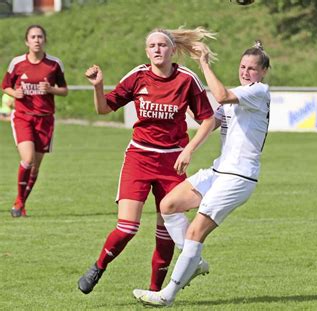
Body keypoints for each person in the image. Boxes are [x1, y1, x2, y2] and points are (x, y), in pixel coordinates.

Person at [77, 27, 217, 295]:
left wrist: (189, 150)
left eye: (162, 45)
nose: (157, 49)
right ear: (146, 51)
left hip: (172, 163)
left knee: (165, 231)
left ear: (172, 49)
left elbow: (208, 120)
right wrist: (97, 87)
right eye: (152, 45)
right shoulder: (138, 76)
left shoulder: (187, 79)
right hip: (139, 158)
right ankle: (98, 267)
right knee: (127, 227)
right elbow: (104, 108)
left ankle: (155, 291)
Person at [133, 40, 271, 307]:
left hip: (238, 177)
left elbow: (220, 95)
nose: (245, 72)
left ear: (263, 71)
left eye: (252, 68)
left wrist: (204, 63)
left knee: (195, 231)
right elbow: (210, 121)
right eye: (242, 66)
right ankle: (193, 260)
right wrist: (188, 150)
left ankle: (168, 295)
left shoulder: (259, 91)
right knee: (169, 205)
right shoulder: (238, 95)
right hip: (219, 170)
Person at [1, 25, 68, 217]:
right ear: (27, 41)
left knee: (36, 167)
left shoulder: (54, 64)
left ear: (44, 40)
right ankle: (19, 202)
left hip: (45, 120)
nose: (37, 40)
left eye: (40, 36)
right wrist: (15, 92)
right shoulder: (17, 63)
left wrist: (51, 89)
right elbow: (5, 86)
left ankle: (21, 203)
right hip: (23, 117)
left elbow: (64, 90)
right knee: (28, 159)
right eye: (33, 37)